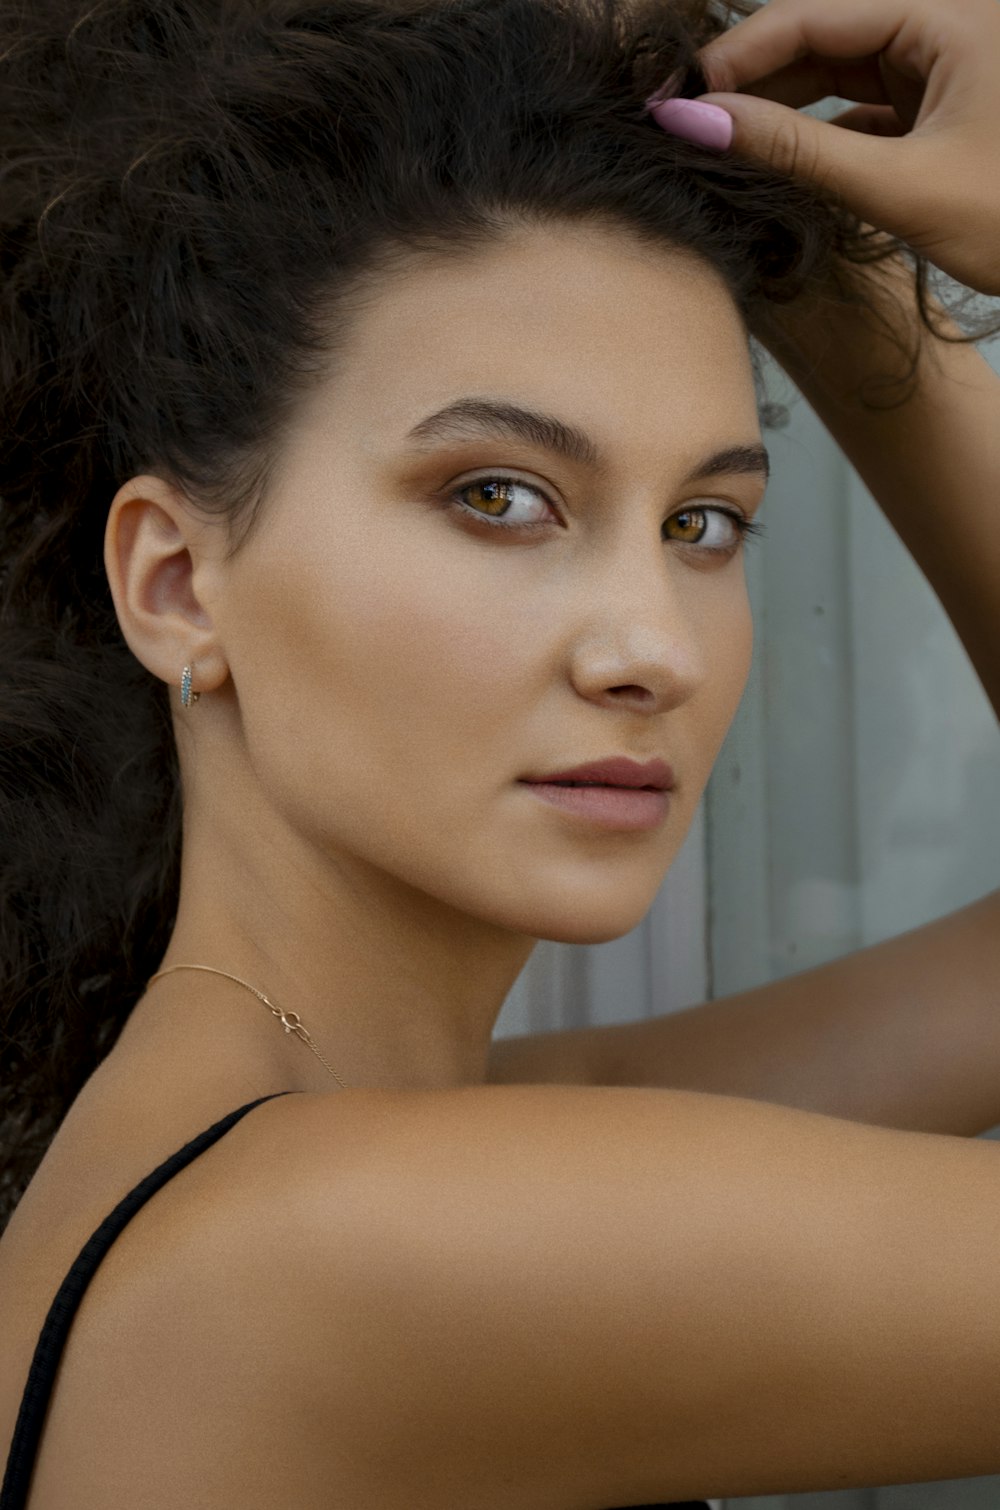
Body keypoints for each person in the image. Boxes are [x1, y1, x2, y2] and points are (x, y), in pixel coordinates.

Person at [1, 0, 999, 1503]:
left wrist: (811, 230)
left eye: (704, 523)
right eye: (499, 498)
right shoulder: (338, 1242)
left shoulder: (387, 1136)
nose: (650, 648)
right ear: (177, 583)